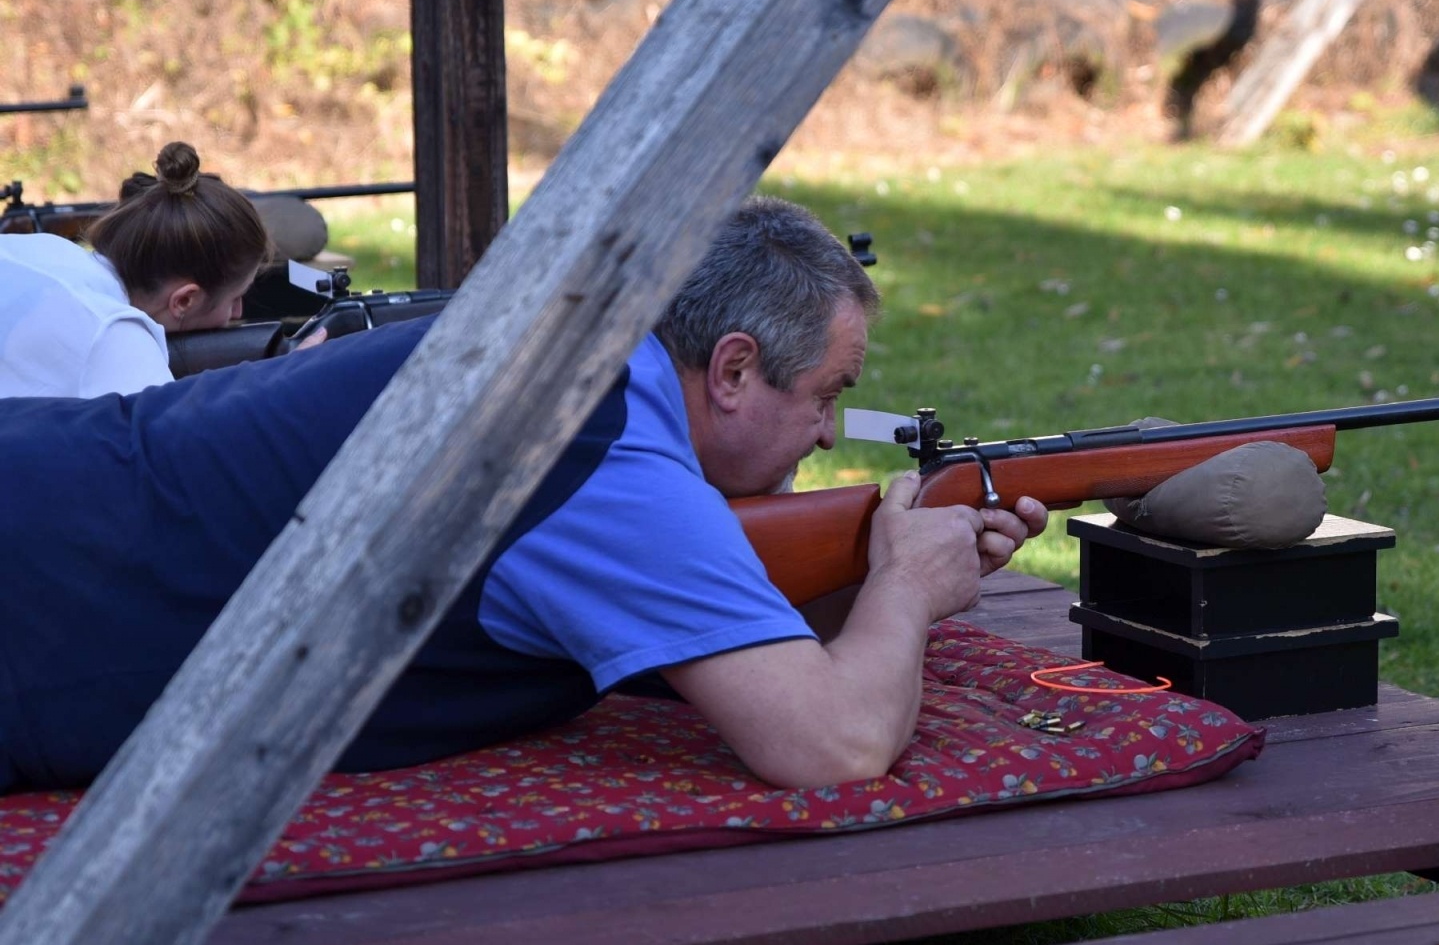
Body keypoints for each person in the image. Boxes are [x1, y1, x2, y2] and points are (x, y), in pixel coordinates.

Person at [0, 195, 1048, 795]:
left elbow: (706, 635)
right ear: (731, 370)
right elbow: (832, 746)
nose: (828, 432)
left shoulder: (564, 365)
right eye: (825, 396)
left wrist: (866, 573)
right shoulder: (600, 451)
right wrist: (904, 589)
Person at [0, 140, 270, 398]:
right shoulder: (115, 340)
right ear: (185, 300)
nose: (238, 312)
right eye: (235, 297)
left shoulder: (42, 248)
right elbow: (178, 443)